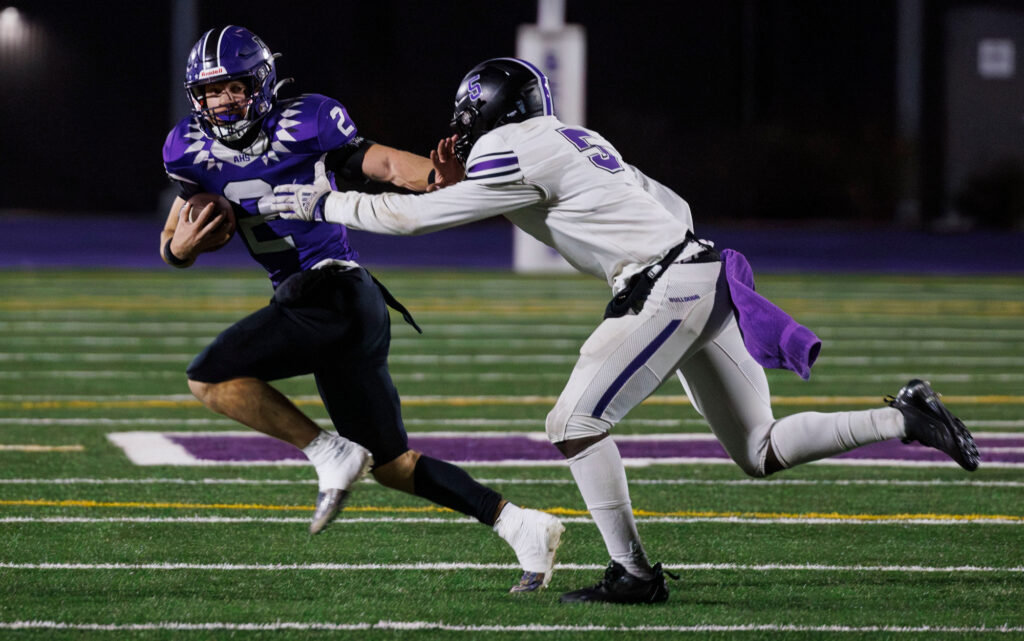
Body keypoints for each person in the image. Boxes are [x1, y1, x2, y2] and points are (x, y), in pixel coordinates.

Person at [261, 57, 982, 605]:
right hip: (701, 269)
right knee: (759, 451)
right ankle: (904, 413)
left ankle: (634, 573)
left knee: (571, 422)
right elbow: (672, 200)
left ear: (481, 112)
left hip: (665, 285)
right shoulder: (573, 136)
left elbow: (413, 218)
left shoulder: (507, 147)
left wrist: (327, 203)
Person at [160, 29, 563, 593]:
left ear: (262, 83)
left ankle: (327, 452)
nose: (222, 102)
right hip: (336, 309)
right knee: (394, 466)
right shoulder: (187, 150)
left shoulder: (309, 120)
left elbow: (381, 165)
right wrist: (181, 250)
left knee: (209, 376)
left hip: (334, 290)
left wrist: (437, 180)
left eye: (233, 87)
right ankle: (521, 525)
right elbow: (173, 241)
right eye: (210, 92)